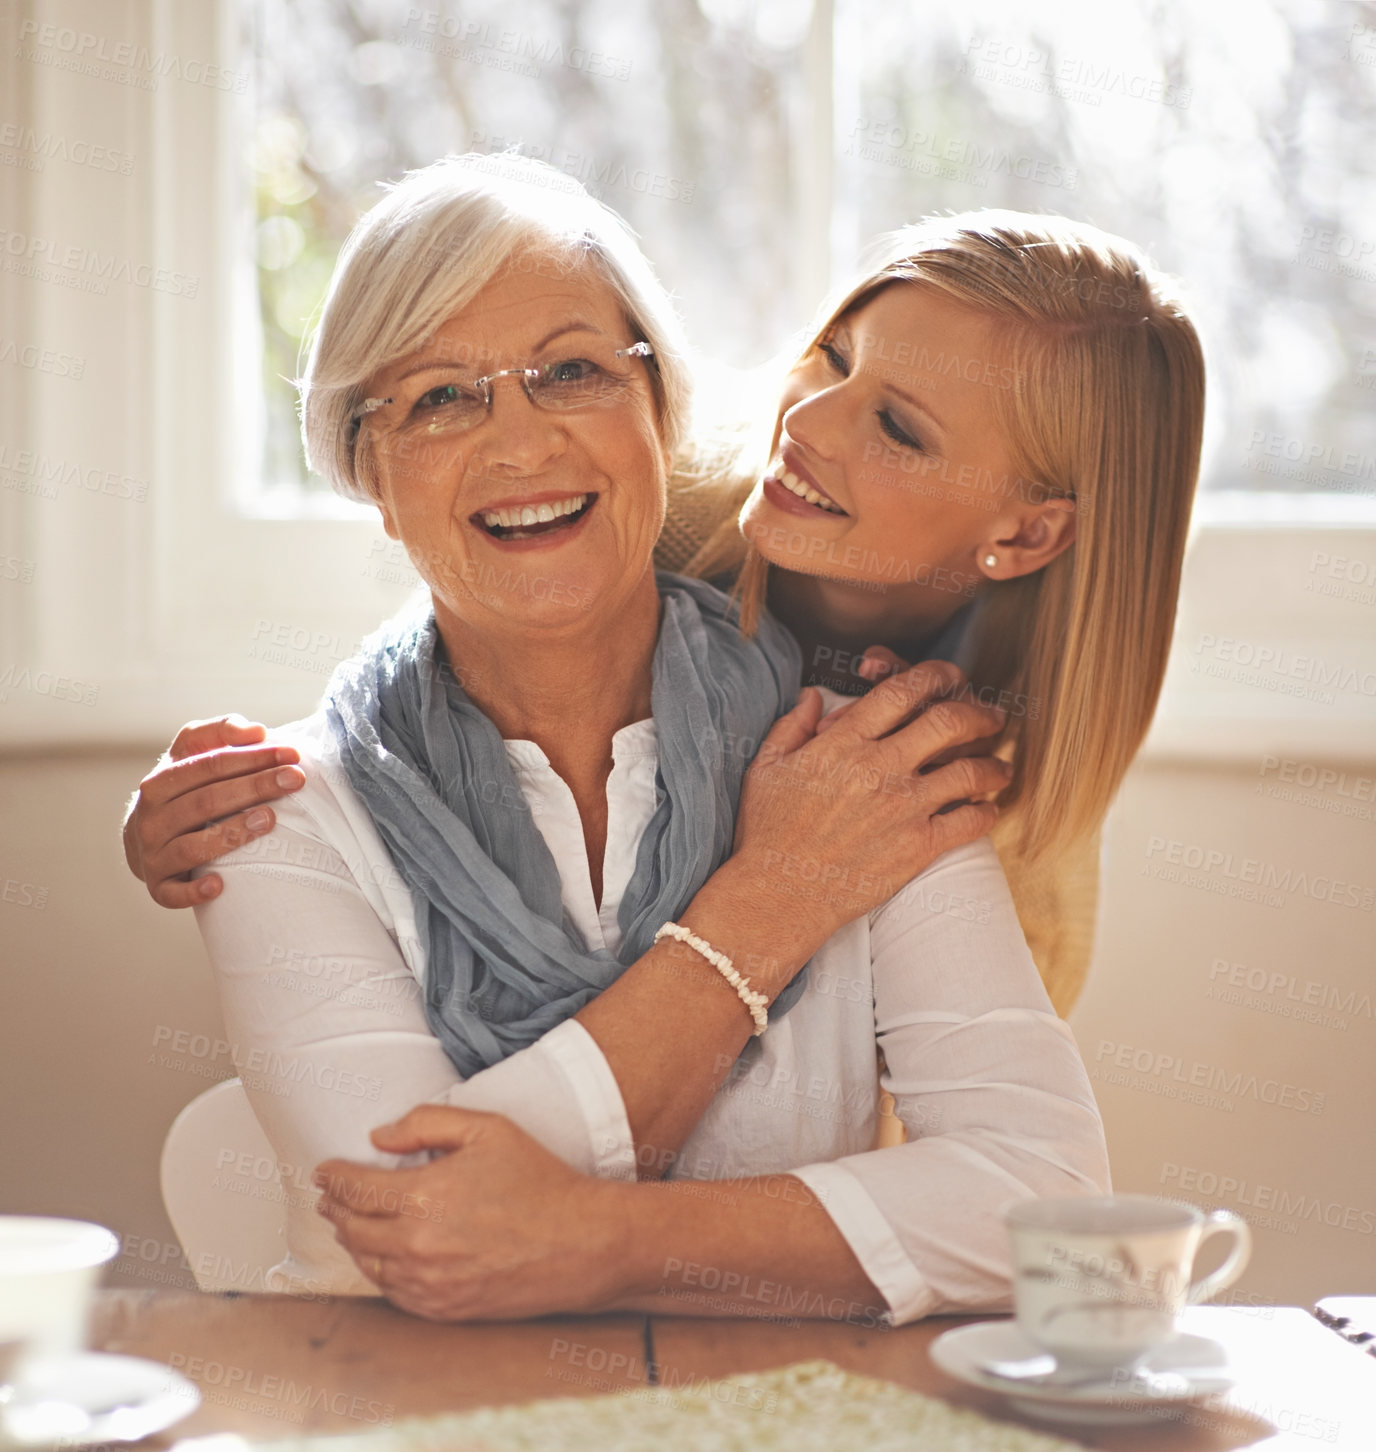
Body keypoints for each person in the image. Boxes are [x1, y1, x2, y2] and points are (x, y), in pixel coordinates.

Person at [161, 154, 1110, 1321]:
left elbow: (1048, 1201)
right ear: (369, 469)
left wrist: (604, 1239)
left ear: (660, 413)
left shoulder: (864, 770)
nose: (519, 446)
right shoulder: (275, 813)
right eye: (440, 398)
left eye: (569, 372)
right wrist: (766, 907)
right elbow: (391, 1233)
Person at [125, 201, 1203, 1018]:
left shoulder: (1007, 813)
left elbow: (913, 1159)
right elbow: (447, 673)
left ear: (1022, 536)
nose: (809, 422)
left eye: (899, 429)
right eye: (831, 354)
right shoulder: (638, 493)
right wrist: (230, 810)